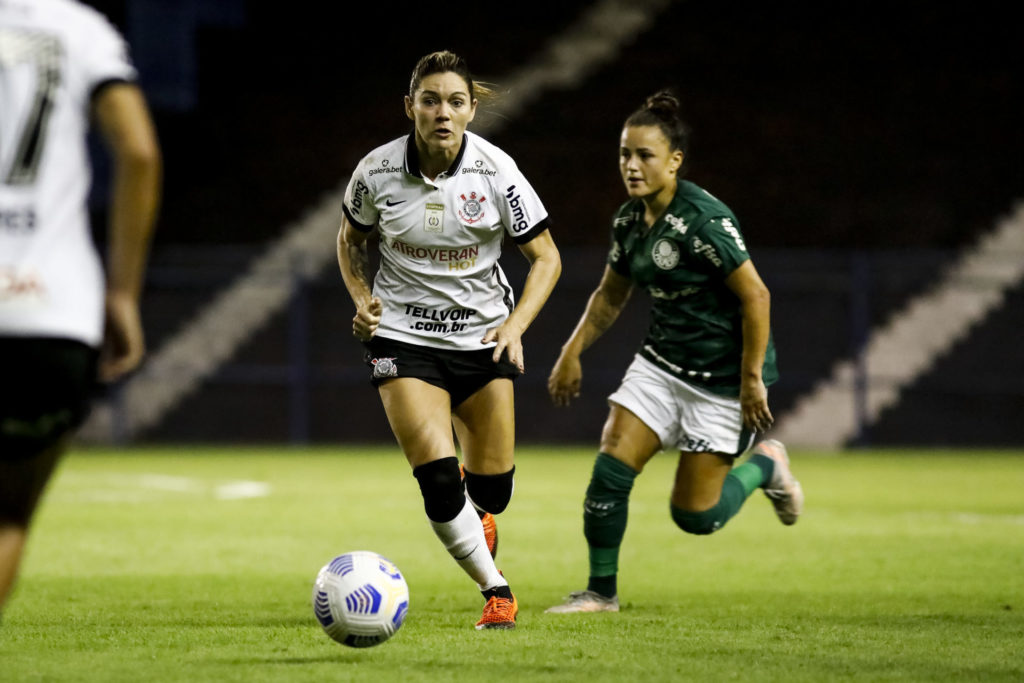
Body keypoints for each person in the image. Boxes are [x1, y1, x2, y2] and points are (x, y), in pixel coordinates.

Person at [544, 90, 802, 614]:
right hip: (661, 364)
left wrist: (752, 378)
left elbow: (756, 295)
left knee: (695, 518)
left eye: (645, 155)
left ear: (675, 161)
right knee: (610, 467)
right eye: (624, 154)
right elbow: (610, 295)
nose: (632, 166)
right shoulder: (628, 221)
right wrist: (572, 351)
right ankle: (601, 592)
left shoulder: (705, 221)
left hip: (723, 381)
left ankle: (766, 467)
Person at [336, 50, 561, 630]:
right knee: (437, 480)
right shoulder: (376, 172)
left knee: (494, 492)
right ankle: (498, 591)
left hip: (481, 341)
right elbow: (349, 241)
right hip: (402, 338)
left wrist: (514, 327)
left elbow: (546, 259)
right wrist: (363, 300)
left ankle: (471, 506)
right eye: (431, 100)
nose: (443, 112)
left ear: (471, 109)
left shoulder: (496, 171)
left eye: (455, 101)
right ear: (410, 107)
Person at [0, 0, 161, 615]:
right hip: (48, 312)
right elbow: (140, 152)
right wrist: (120, 292)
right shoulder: (77, 29)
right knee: (8, 514)